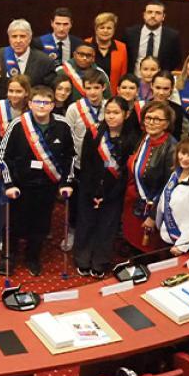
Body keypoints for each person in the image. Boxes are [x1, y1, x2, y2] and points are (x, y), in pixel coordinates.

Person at [1, 86, 74, 276]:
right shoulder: (17, 124)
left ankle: (33, 257)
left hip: (47, 187)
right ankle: (8, 256)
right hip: (20, 186)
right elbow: (3, 157)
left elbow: (70, 157)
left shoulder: (63, 125)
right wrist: (9, 184)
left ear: (53, 105)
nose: (42, 106)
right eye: (37, 102)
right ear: (30, 104)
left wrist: (66, 182)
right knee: (14, 224)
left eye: (46, 102)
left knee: (40, 225)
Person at [73, 97, 138, 277]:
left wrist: (109, 194)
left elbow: (126, 172)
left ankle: (100, 261)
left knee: (106, 226)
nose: (111, 117)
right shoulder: (94, 133)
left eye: (116, 113)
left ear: (126, 114)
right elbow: (85, 163)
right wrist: (92, 191)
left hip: (114, 191)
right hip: (90, 187)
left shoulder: (132, 138)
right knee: (86, 223)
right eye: (108, 112)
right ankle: (82, 258)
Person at [0, 75, 30, 252]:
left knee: (12, 203)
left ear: (26, 93)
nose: (14, 94)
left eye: (19, 91)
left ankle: (6, 236)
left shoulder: (29, 110)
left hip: (19, 165)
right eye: (11, 90)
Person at [122, 99, 178, 250]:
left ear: (166, 124)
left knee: (146, 250)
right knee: (131, 239)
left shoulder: (172, 148)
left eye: (157, 119)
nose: (151, 122)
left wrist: (153, 217)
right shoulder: (145, 138)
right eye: (148, 118)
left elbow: (169, 187)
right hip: (133, 201)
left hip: (151, 207)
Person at [122, 1, 183, 75]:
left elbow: (176, 60)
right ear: (144, 15)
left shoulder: (172, 36)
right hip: (134, 80)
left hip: (159, 82)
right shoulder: (130, 33)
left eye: (158, 13)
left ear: (163, 17)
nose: (153, 16)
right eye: (149, 12)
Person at [0, 19, 56, 88]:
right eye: (14, 36)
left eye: (22, 36)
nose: (18, 41)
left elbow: (47, 90)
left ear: (30, 38)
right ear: (9, 38)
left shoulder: (45, 61)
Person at [91, 11, 128, 91]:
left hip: (113, 95)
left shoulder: (122, 47)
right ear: (96, 29)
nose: (105, 31)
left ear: (114, 30)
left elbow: (123, 75)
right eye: (102, 27)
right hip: (89, 93)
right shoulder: (86, 44)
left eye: (109, 28)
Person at [149, 71, 186, 139]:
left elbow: (176, 137)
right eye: (158, 88)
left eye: (165, 89)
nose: (161, 93)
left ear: (171, 88)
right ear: (151, 86)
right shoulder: (140, 106)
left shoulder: (177, 110)